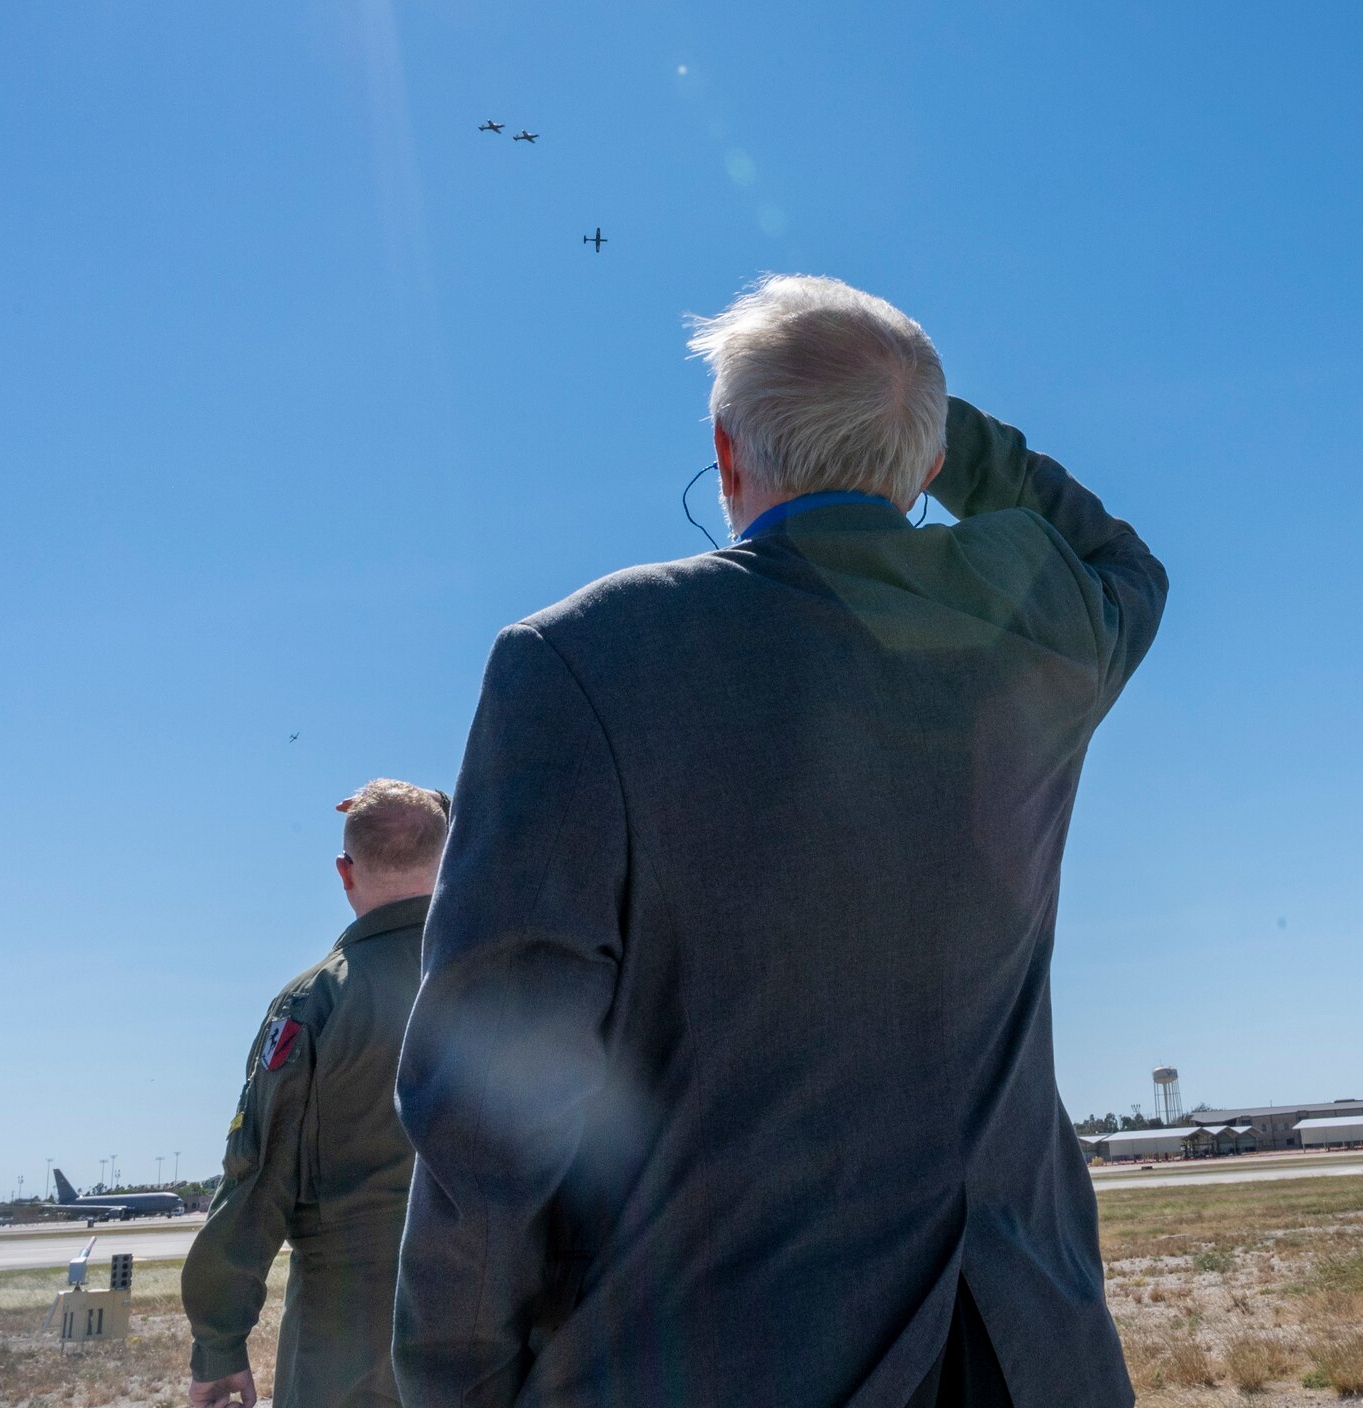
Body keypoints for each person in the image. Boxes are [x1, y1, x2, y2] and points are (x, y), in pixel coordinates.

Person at [393, 275, 1167, 1408]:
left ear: (726, 448)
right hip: (1023, 1356)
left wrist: (456, 1381)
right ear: (923, 455)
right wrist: (944, 436)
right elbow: (1123, 565)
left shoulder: (581, 660)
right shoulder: (1036, 630)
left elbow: (492, 1106)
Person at [183, 779, 449, 1408]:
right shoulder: (501, 981)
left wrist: (219, 1343)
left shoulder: (316, 1001)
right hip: (491, 1320)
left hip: (344, 1337)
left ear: (343, 873)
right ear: (449, 861)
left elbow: (258, 1175)